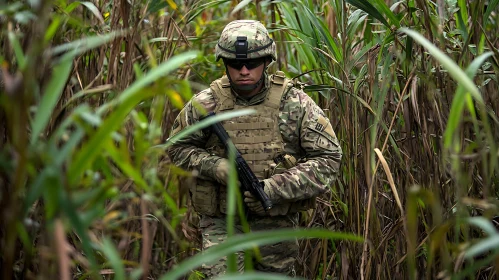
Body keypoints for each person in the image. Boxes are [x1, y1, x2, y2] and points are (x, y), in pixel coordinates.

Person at [167, 20, 342, 278]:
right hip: (221, 221)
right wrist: (215, 166)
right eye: (236, 64)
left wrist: (274, 188)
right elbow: (176, 147)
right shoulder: (207, 103)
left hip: (275, 219)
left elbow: (329, 159)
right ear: (225, 64)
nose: (244, 70)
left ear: (267, 61)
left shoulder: (294, 103)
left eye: (253, 63)